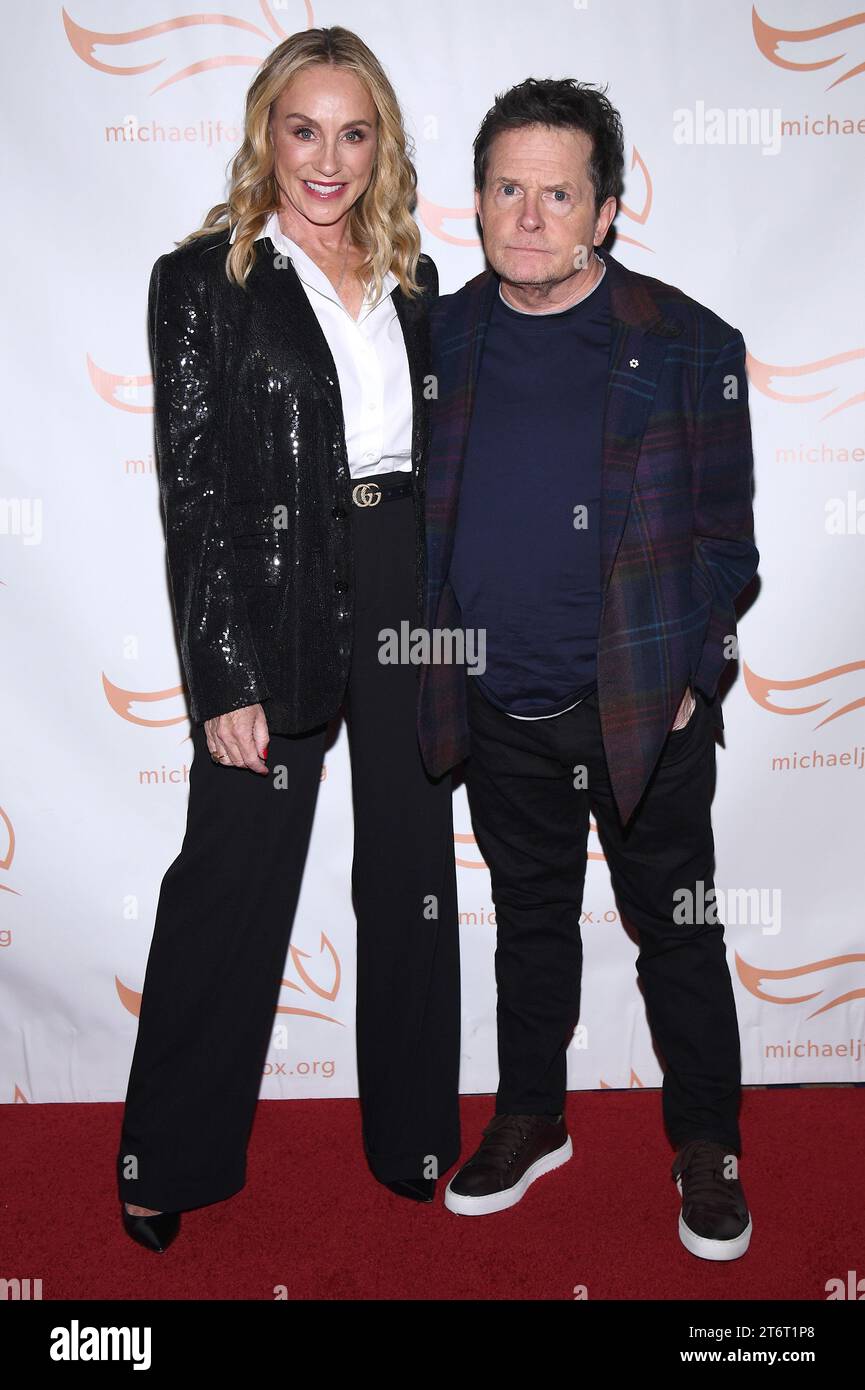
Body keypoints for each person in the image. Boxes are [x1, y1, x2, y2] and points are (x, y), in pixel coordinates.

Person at [117, 26, 460, 1254]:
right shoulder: (204, 279)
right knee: (230, 879)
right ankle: (168, 1152)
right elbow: (192, 490)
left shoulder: (415, 282)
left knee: (413, 876)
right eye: (304, 128)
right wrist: (220, 668)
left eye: (353, 132)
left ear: (383, 147)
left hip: (407, 579)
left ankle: (414, 1133)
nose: (328, 158)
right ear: (268, 130)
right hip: (271, 590)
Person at [418, 78, 759, 1260]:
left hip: (640, 714)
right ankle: (530, 1116)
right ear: (475, 199)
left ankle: (707, 1142)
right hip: (497, 699)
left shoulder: (689, 344)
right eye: (507, 188)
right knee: (528, 921)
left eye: (557, 193)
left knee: (678, 927)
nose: (528, 215)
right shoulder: (440, 335)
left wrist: (688, 678)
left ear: (605, 210)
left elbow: (727, 548)